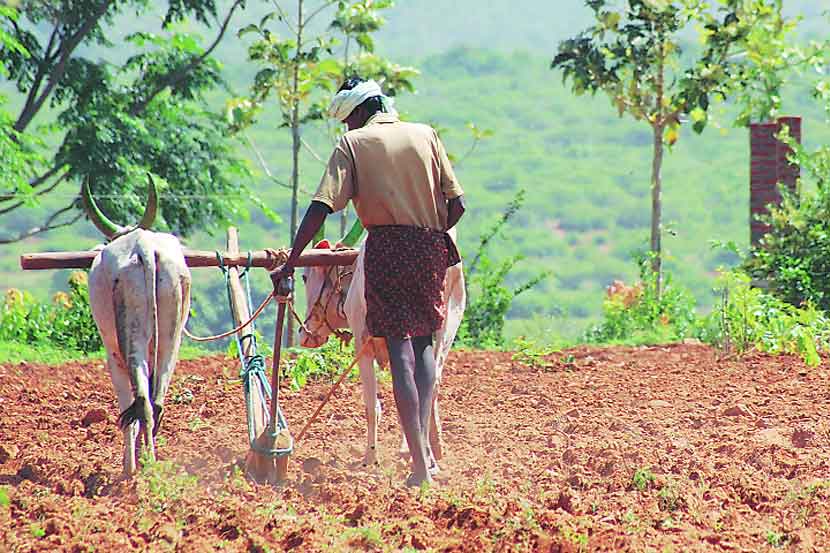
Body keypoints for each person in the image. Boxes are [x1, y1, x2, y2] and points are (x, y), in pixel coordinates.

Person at [270, 76, 466, 486]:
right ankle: (425, 455)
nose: (346, 128)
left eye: (347, 120)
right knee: (425, 347)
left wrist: (292, 259)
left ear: (358, 112)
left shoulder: (353, 145)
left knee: (399, 354)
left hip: (386, 251)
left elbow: (321, 206)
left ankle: (417, 468)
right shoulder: (426, 135)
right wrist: (429, 235)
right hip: (432, 247)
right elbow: (458, 204)